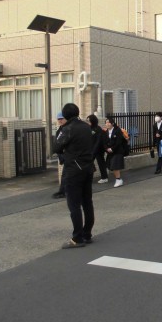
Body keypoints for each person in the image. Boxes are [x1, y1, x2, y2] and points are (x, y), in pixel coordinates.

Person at [54, 103, 95, 249]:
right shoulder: (86, 126)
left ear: (65, 115)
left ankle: (77, 238)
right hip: (88, 167)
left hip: (74, 170)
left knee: (74, 205)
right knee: (87, 202)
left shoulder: (68, 128)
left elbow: (56, 147)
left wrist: (60, 130)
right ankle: (87, 233)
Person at [104, 117, 128, 187]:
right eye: (106, 123)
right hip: (110, 152)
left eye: (108, 122)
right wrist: (107, 148)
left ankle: (118, 179)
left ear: (112, 123)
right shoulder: (106, 132)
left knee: (115, 165)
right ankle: (118, 179)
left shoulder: (117, 130)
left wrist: (112, 148)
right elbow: (104, 142)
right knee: (111, 166)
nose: (107, 124)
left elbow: (119, 142)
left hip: (117, 151)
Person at [86, 114, 108, 184]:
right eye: (87, 121)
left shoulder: (98, 129)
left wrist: (94, 151)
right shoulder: (89, 128)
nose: (88, 122)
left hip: (99, 149)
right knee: (89, 163)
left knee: (101, 163)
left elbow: (98, 142)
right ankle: (88, 177)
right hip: (91, 149)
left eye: (89, 121)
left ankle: (104, 177)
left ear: (93, 121)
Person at [52, 112, 67, 199]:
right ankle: (62, 191)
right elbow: (57, 144)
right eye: (58, 119)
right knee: (65, 175)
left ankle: (63, 191)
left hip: (70, 156)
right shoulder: (59, 130)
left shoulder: (67, 129)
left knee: (65, 175)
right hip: (63, 156)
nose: (60, 121)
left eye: (61, 119)